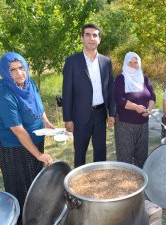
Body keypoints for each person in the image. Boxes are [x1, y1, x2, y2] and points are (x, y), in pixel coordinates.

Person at [0, 52, 53, 224]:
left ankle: (34, 215)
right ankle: (20, 219)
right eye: (12, 70)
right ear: (5, 72)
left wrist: (46, 122)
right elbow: (18, 131)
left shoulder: (29, 84)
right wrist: (38, 154)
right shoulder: (4, 95)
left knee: (34, 179)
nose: (19, 73)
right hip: (11, 146)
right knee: (18, 186)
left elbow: (37, 104)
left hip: (36, 138)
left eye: (21, 68)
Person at [62, 23, 115, 167]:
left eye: (95, 35)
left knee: (100, 153)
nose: (92, 38)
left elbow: (111, 89)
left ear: (99, 39)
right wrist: (67, 118)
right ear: (82, 38)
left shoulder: (106, 62)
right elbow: (67, 92)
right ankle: (77, 187)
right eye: (88, 35)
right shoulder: (72, 61)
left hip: (100, 115)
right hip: (80, 116)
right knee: (80, 154)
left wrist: (112, 114)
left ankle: (100, 182)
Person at [114, 52, 156, 168]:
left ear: (139, 64)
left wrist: (149, 109)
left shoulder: (144, 79)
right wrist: (136, 107)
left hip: (143, 125)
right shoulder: (121, 79)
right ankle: (125, 184)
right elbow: (119, 99)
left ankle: (140, 181)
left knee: (141, 157)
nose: (133, 65)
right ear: (125, 64)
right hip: (125, 125)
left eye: (136, 62)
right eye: (130, 62)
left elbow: (152, 96)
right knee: (125, 158)